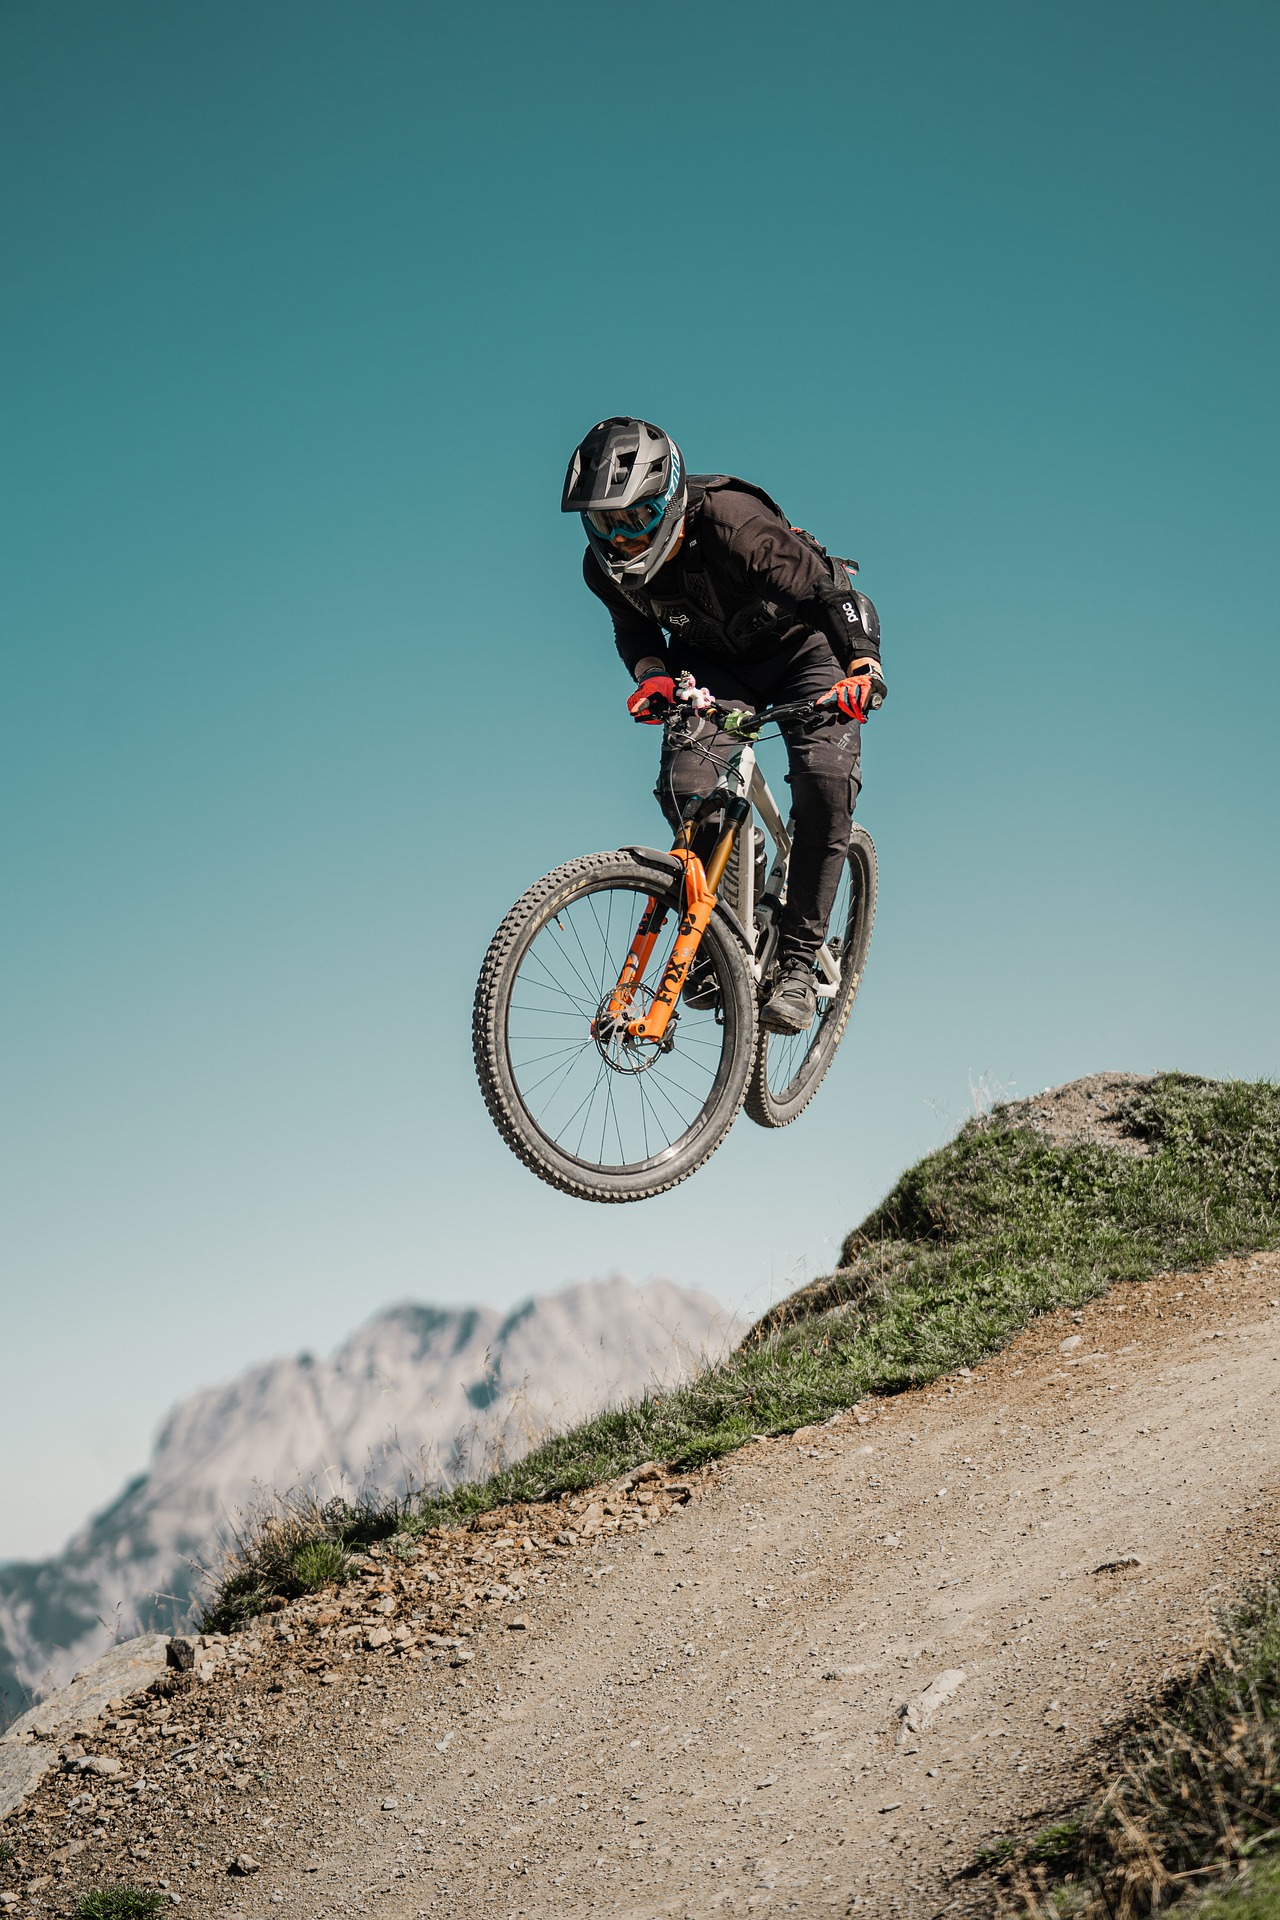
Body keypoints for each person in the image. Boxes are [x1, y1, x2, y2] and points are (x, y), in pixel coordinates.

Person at [562, 416, 886, 1034]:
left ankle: (797, 963)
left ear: (669, 498)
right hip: (715, 665)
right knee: (687, 790)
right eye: (605, 523)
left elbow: (832, 595)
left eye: (637, 517)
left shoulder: (733, 524)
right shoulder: (601, 569)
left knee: (824, 781)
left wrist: (862, 665)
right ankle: (728, 922)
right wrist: (653, 675)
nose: (622, 538)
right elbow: (634, 631)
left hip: (807, 652)